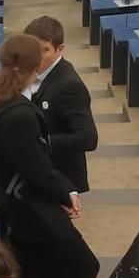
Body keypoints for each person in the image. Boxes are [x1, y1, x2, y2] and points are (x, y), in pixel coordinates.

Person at [0, 34, 106, 278]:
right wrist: (66, 192)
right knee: (83, 265)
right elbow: (37, 169)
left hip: (16, 209)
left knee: (36, 276)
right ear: (35, 68)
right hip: (33, 209)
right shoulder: (19, 113)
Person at [23, 17, 97, 195]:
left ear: (59, 49)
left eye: (45, 50)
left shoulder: (69, 86)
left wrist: (41, 142)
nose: (37, 57)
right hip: (40, 173)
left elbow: (88, 138)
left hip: (61, 178)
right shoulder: (32, 71)